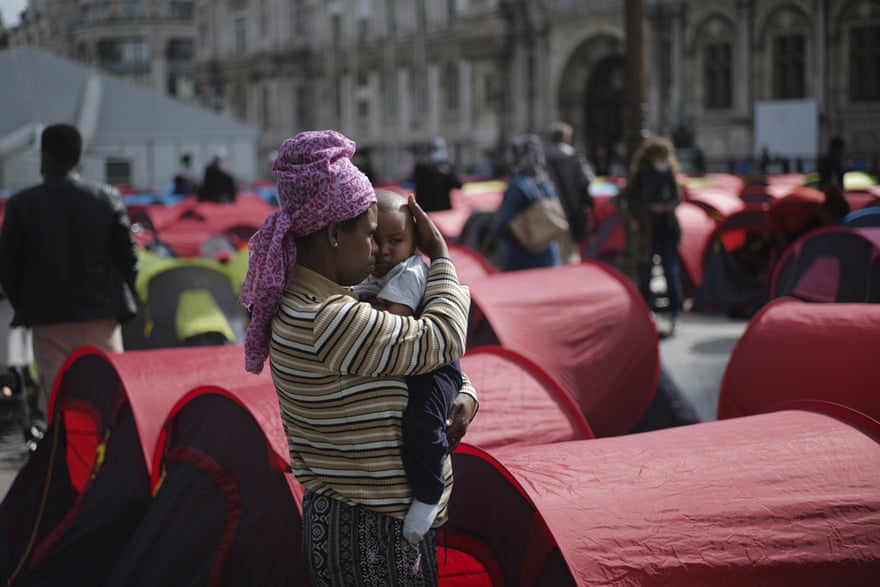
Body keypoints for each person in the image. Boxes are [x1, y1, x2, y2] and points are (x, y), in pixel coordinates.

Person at [239, 130, 478, 584]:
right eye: (369, 236)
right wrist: (442, 256)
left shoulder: (319, 303)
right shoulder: (327, 320)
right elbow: (443, 337)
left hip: (358, 523)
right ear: (333, 233)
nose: (377, 253)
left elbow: (411, 359)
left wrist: (463, 391)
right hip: (371, 535)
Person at [0, 123, 139, 433]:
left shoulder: (22, 203)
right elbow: (129, 258)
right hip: (101, 314)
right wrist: (120, 298)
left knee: (56, 398)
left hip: (47, 318)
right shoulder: (106, 197)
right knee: (109, 393)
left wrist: (28, 304)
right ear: (78, 156)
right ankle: (110, 462)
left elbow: (8, 266)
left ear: (44, 157)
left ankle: (61, 467)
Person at [353, 189, 466, 544]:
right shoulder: (378, 272)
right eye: (375, 239)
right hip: (416, 361)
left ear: (416, 242)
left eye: (396, 240)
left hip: (434, 368)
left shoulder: (411, 271)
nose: (384, 250)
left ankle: (429, 494)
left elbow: (393, 322)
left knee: (423, 423)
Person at [614, 136, 684, 332]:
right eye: (661, 156)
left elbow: (678, 198)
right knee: (646, 272)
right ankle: (646, 312)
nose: (664, 160)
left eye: (666, 156)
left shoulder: (669, 173)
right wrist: (633, 220)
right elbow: (620, 200)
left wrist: (666, 207)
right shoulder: (641, 175)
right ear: (652, 156)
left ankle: (674, 313)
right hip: (647, 231)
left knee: (671, 271)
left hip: (667, 228)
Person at [481, 134, 563, 271]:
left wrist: (487, 242)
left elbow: (505, 220)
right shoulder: (546, 182)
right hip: (549, 253)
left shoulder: (517, 185)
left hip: (523, 255)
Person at [544, 121, 596, 263]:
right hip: (574, 211)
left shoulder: (543, 159)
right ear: (567, 138)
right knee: (571, 253)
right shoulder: (575, 157)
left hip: (552, 212)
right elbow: (586, 182)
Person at [412, 136, 462, 212]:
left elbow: (459, 185)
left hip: (444, 211)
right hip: (427, 210)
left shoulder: (448, 167)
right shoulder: (421, 168)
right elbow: (419, 189)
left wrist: (446, 174)